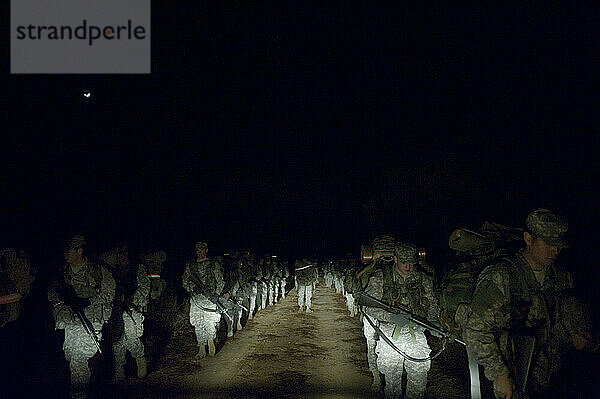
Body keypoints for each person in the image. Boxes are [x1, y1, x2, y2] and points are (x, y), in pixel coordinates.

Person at [464, 208, 594, 398]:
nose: (555, 250)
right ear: (528, 238)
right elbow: (475, 329)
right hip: (510, 365)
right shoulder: (501, 276)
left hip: (547, 367)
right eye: (548, 243)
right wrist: (499, 373)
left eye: (558, 245)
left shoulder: (561, 278)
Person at [360, 242, 439, 399]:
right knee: (392, 385)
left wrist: (433, 323)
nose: (408, 266)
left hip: (416, 334)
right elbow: (367, 306)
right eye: (404, 262)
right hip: (390, 334)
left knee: (418, 383)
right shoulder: (380, 278)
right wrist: (390, 316)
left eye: (412, 262)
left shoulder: (423, 279)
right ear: (395, 259)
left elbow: (432, 305)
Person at [48, 235, 115, 399]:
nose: (65, 254)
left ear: (79, 250)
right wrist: (63, 298)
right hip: (71, 321)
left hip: (91, 321)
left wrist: (87, 301)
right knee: (72, 357)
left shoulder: (97, 270)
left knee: (78, 361)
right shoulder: (62, 272)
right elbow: (51, 294)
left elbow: (110, 293)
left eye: (68, 250)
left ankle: (79, 395)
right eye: (63, 251)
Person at [109, 243, 150, 382]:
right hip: (116, 312)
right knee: (117, 342)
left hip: (132, 310)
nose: (123, 255)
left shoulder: (138, 268)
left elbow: (144, 289)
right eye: (121, 253)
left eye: (126, 252)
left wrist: (132, 300)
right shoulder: (112, 271)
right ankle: (119, 370)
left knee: (132, 338)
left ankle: (140, 359)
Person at [182, 241, 226, 358]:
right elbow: (185, 281)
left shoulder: (213, 264)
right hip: (196, 299)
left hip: (209, 299)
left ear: (206, 250)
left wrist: (216, 294)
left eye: (201, 249)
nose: (199, 251)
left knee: (210, 322)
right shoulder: (191, 265)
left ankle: (211, 342)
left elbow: (220, 281)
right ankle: (201, 348)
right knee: (198, 323)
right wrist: (192, 289)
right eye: (197, 250)